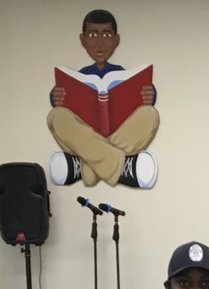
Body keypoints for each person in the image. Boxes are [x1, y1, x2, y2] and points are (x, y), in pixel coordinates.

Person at [47, 9, 159, 189]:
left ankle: (82, 168)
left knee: (150, 114)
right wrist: (56, 97)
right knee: (56, 116)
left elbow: (140, 104)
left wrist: (149, 94)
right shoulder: (77, 79)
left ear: (116, 40)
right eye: (92, 34)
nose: (99, 43)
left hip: (119, 132)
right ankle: (122, 168)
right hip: (87, 133)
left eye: (106, 34)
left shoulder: (124, 76)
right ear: (83, 40)